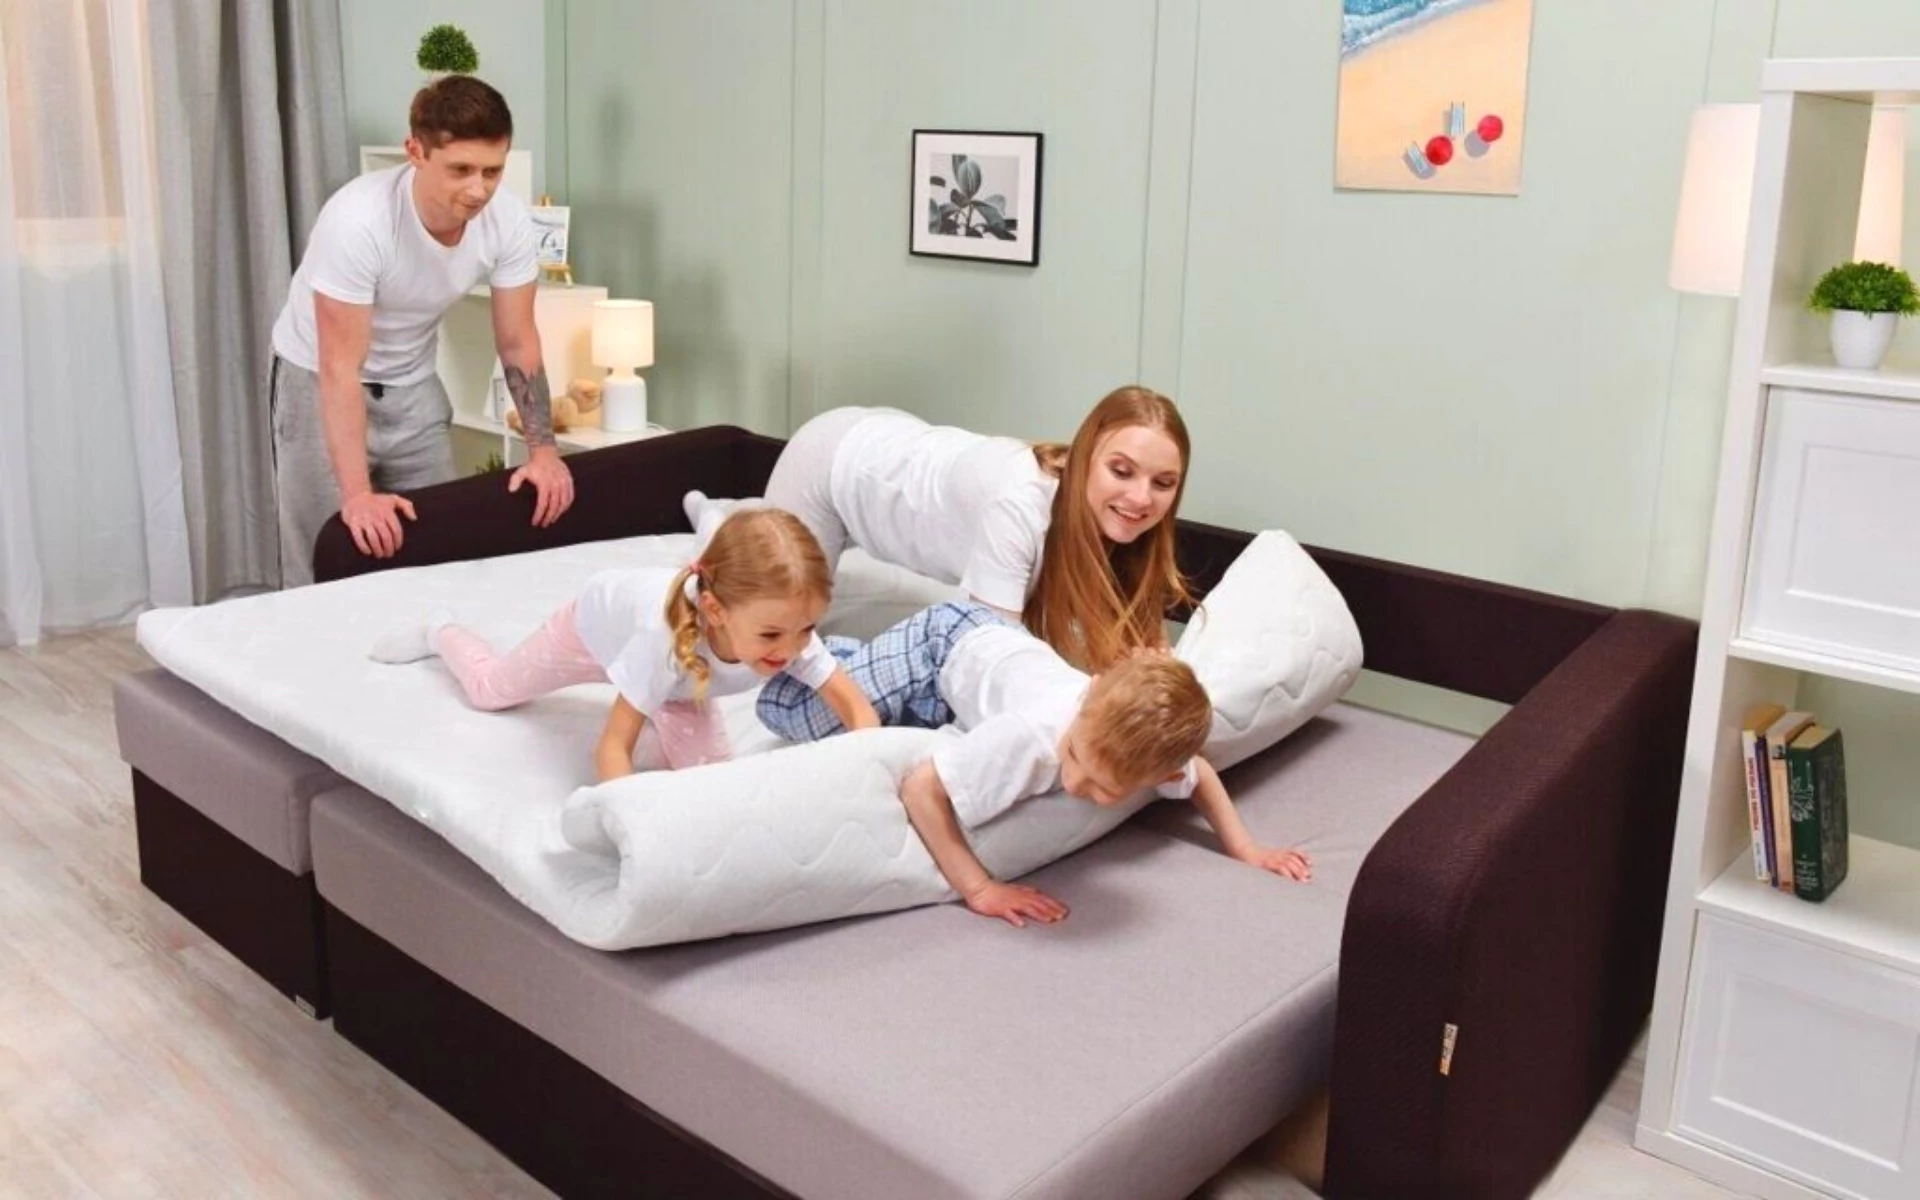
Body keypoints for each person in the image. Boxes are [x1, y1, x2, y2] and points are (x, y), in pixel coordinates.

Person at [757, 601, 1312, 925]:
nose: (1074, 782)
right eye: (1075, 757)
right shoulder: (1035, 738)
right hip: (941, 644)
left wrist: (1246, 849)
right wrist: (980, 890)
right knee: (790, 715)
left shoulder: (1146, 754)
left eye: (1103, 789)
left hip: (997, 654)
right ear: (1089, 695)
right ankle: (836, 652)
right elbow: (921, 790)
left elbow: (1200, 774)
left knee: (916, 717)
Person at [268, 75, 574, 587]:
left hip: (412, 382)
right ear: (415, 152)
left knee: (436, 542)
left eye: (492, 171)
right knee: (325, 550)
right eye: (460, 170)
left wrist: (543, 453)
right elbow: (339, 367)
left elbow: (518, 342)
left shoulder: (508, 222)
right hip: (318, 380)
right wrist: (357, 495)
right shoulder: (357, 221)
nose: (478, 189)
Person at [685, 385, 1193, 673]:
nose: (1141, 498)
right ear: (1084, 458)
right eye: (1122, 471)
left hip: (896, 438)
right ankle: (718, 526)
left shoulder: (1125, 526)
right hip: (836, 464)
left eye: (1163, 483)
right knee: (762, 618)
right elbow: (990, 659)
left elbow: (1148, 653)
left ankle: (733, 516)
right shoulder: (1018, 508)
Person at [368, 508, 881, 781]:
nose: (791, 650)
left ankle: (708, 517)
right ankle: (439, 629)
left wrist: (870, 770)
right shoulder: (660, 642)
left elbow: (858, 711)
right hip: (593, 632)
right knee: (489, 691)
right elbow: (612, 748)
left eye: (807, 629)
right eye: (771, 635)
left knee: (708, 780)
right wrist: (628, 819)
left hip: (683, 676)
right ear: (716, 611)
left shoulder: (789, 629)